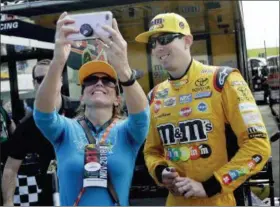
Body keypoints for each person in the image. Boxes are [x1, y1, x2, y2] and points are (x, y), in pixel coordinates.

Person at [135, 13, 271, 206]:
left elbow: (257, 146)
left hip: (218, 200)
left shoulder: (223, 80)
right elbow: (151, 151)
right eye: (153, 43)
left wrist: (211, 186)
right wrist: (160, 171)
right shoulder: (156, 95)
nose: (158, 48)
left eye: (164, 39)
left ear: (187, 41)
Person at [33, 12, 149, 206]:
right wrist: (58, 60)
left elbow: (143, 117)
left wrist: (123, 70)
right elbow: (42, 115)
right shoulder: (66, 129)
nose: (99, 83)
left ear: (117, 99)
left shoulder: (127, 132)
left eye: (108, 80)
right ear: (82, 96)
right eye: (90, 80)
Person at [1, 59, 79, 206]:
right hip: (50, 193)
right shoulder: (28, 126)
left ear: (61, 80)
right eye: (40, 79)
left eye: (52, 76)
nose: (46, 82)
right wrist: (8, 202)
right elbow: (10, 168)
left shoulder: (80, 110)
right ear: (34, 84)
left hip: (86, 191)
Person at [0, 104, 16, 206]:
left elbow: (11, 125)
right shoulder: (1, 108)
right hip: (5, 148)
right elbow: (12, 126)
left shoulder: (1, 109)